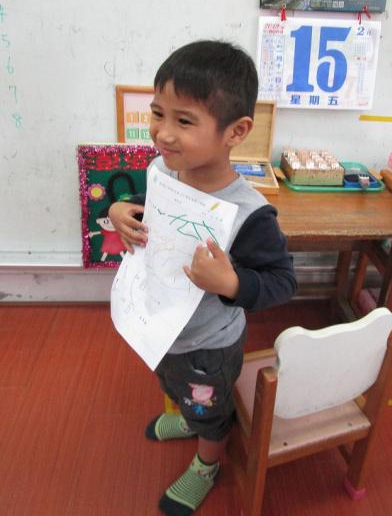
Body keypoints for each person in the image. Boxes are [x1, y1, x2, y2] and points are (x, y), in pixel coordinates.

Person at [109, 40, 297, 515]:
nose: (163, 133)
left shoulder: (250, 213)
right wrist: (118, 211)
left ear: (236, 131)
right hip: (162, 327)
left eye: (185, 121)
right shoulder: (163, 170)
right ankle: (189, 418)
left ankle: (206, 462)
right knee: (175, 388)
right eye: (158, 113)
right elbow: (147, 211)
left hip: (209, 346)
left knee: (210, 407)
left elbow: (282, 282)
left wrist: (231, 284)